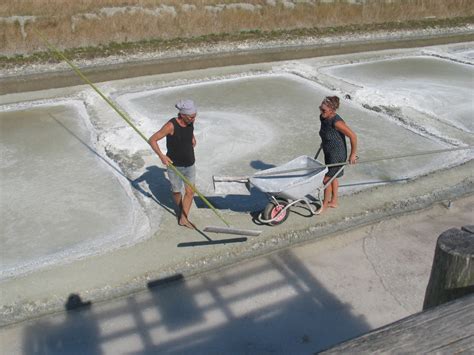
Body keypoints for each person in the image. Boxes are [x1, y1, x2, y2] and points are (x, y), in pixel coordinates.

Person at [148, 99, 197, 228]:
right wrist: (162, 156)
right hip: (175, 166)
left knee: (190, 192)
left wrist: (192, 137)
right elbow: (152, 140)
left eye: (195, 116)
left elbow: (190, 129)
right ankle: (181, 210)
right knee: (176, 192)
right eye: (191, 117)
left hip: (190, 163)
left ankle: (183, 218)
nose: (193, 119)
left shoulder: (191, 120)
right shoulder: (171, 126)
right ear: (182, 115)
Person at [317, 96, 357, 214]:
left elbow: (353, 136)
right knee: (333, 178)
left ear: (332, 110)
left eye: (324, 110)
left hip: (337, 154)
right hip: (328, 152)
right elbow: (326, 131)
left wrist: (353, 154)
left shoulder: (337, 122)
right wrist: (323, 141)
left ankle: (324, 205)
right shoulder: (323, 117)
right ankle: (334, 202)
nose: (321, 111)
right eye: (320, 108)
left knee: (326, 180)